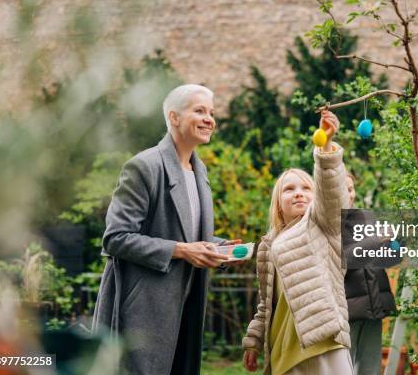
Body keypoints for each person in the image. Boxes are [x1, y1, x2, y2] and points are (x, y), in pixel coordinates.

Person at [92, 84, 238, 375]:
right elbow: (115, 238)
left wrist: (218, 247)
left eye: (211, 112)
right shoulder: (144, 166)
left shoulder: (200, 171)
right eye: (200, 111)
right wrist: (184, 251)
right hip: (144, 311)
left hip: (186, 305)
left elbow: (186, 234)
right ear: (174, 117)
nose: (210, 119)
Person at [242, 110, 353, 375]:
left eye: (305, 188)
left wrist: (325, 146)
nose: (299, 194)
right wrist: (254, 341)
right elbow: (267, 302)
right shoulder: (268, 245)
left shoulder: (321, 223)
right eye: (289, 189)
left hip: (323, 341)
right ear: (278, 203)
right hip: (284, 350)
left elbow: (332, 195)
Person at [343, 174, 400, 375]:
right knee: (342, 368)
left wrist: (396, 249)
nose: (348, 194)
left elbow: (377, 259)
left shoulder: (366, 216)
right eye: (343, 189)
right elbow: (344, 260)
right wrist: (376, 240)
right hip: (345, 312)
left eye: (350, 189)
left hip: (373, 305)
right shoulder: (324, 223)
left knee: (370, 370)